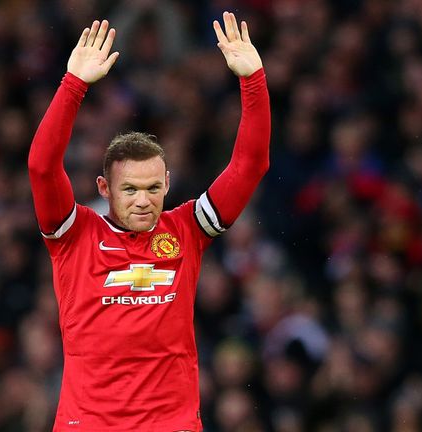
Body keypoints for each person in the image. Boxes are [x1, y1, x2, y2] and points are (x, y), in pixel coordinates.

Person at [28, 12, 270, 431]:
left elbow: (250, 165)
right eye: (130, 190)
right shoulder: (74, 234)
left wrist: (253, 81)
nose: (143, 201)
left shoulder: (187, 229)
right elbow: (42, 168)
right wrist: (73, 85)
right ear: (104, 188)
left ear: (168, 183)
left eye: (153, 188)